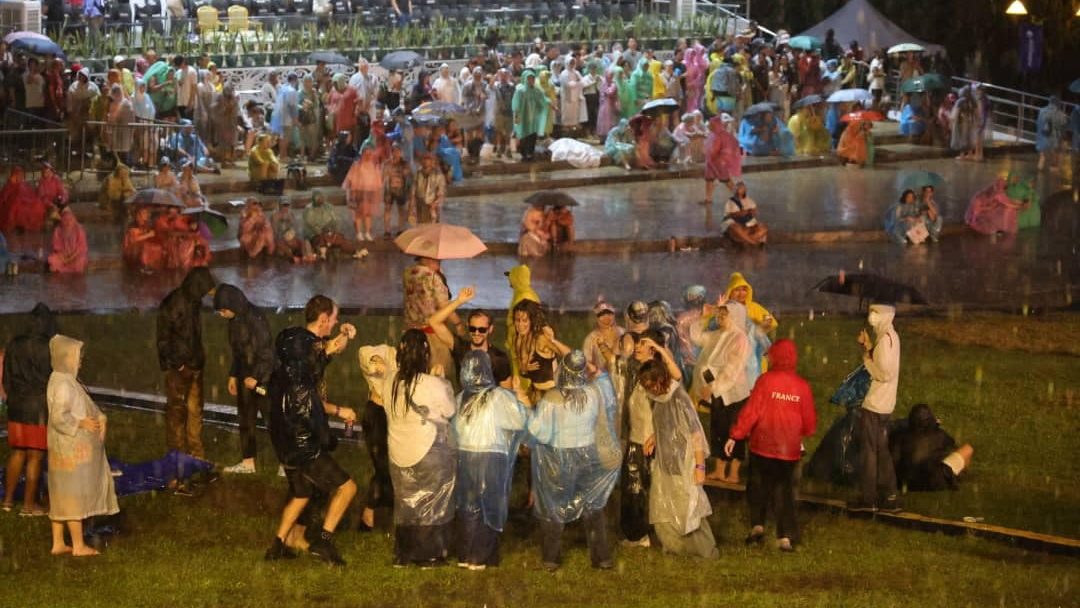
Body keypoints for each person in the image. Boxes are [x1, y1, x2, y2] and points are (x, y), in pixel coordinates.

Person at [265, 295, 359, 565]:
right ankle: (324, 542)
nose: (337, 321)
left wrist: (344, 335)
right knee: (347, 487)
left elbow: (327, 351)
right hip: (302, 441)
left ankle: (278, 546)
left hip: (283, 440)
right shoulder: (306, 359)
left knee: (301, 492)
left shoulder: (297, 358)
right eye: (334, 317)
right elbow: (312, 398)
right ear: (322, 319)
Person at [528, 350, 619, 571]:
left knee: (554, 505)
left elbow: (538, 432)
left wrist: (526, 412)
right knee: (593, 506)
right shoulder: (593, 393)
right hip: (588, 455)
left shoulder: (552, 398)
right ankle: (601, 557)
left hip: (559, 457)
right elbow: (605, 413)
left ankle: (551, 558)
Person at [726, 339, 816, 552]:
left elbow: (751, 412)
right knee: (784, 490)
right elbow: (810, 422)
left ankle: (757, 526)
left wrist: (735, 435)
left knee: (758, 485)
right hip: (789, 450)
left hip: (762, 446)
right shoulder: (802, 386)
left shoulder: (765, 381)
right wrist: (799, 432)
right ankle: (784, 536)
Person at [386, 329, 458, 567]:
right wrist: (442, 380)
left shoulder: (391, 382)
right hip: (428, 451)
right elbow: (449, 410)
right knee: (432, 502)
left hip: (398, 452)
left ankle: (403, 553)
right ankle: (429, 554)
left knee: (406, 503)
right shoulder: (430, 384)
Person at [454, 350, 529, 570]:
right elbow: (519, 422)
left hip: (466, 455)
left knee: (469, 505)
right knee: (489, 505)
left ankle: (466, 553)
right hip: (491, 456)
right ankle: (480, 555)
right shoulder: (498, 397)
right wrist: (520, 396)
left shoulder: (461, 399)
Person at [45, 334, 120, 557]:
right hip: (71, 449)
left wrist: (99, 417)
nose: (80, 361)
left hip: (63, 450)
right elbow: (59, 417)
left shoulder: (61, 379)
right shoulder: (64, 385)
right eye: (77, 356)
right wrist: (81, 423)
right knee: (73, 496)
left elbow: (85, 405)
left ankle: (58, 542)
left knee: (61, 495)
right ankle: (78, 545)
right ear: (66, 357)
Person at [638, 360, 717, 558]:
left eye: (651, 385)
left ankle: (704, 549)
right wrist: (655, 437)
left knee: (689, 507)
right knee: (664, 503)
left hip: (684, 462)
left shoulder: (679, 397)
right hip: (666, 462)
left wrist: (699, 465)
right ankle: (675, 545)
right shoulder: (659, 398)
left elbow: (695, 432)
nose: (650, 390)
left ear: (661, 380)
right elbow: (668, 423)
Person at [156, 267, 216, 478]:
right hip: (180, 369)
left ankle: (196, 456)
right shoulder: (174, 304)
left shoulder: (193, 301)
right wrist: (177, 364)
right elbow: (164, 339)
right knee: (177, 413)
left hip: (194, 365)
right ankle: (178, 458)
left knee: (194, 412)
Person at [212, 284, 274, 475]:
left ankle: (286, 463)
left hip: (263, 378)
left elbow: (267, 352)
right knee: (246, 420)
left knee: (273, 420)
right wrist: (233, 374)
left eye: (223, 310)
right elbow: (239, 353)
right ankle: (248, 462)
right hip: (245, 378)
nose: (222, 315)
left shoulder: (256, 319)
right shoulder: (235, 321)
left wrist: (256, 377)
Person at [2, 303, 57, 515]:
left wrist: (14, 396)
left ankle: (7, 501)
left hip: (17, 406)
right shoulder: (49, 346)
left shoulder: (15, 344)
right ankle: (28, 505)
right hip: (38, 408)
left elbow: (6, 379)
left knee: (17, 453)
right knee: (35, 456)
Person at [690, 301, 751, 483]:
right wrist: (705, 316)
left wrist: (714, 386)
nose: (720, 318)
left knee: (734, 432)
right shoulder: (717, 335)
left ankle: (733, 472)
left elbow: (732, 368)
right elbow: (696, 336)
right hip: (717, 393)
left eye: (725, 315)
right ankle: (719, 470)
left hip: (733, 393)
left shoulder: (739, 338)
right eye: (719, 314)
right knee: (717, 429)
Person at [849, 304, 901, 513]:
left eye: (876, 312)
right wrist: (868, 346)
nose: (871, 316)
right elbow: (881, 362)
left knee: (869, 452)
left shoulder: (886, 340)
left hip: (875, 405)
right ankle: (889, 496)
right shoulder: (888, 337)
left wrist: (866, 360)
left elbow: (883, 373)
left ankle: (868, 499)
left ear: (886, 315)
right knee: (881, 450)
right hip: (884, 404)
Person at [428, 286, 512, 387]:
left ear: (490, 329)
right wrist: (459, 301)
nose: (476, 333)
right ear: (468, 325)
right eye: (473, 328)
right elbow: (433, 322)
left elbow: (507, 392)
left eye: (482, 329)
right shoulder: (460, 348)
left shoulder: (499, 358)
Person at [890, 404, 974, 492]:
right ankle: (960, 475)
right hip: (932, 481)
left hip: (907, 482)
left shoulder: (899, 436)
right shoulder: (940, 435)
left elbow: (894, 459)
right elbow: (953, 448)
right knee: (967, 449)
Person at [357, 345, 396, 531]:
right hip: (378, 414)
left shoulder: (402, 356)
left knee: (389, 465)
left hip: (392, 415)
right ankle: (369, 511)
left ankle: (379, 510)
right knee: (383, 466)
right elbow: (370, 360)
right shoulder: (381, 351)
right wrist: (377, 361)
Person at [511, 299, 571, 398]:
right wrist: (525, 368)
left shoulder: (540, 339)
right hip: (535, 392)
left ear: (532, 320)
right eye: (517, 320)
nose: (520, 325)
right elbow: (522, 369)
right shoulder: (518, 339)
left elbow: (570, 354)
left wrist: (553, 340)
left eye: (525, 320)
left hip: (552, 395)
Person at [343, 147, 383, 243]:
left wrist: (377, 190)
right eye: (366, 154)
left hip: (370, 192)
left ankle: (368, 232)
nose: (368, 156)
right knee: (358, 213)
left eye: (370, 154)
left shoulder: (374, 165)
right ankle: (359, 233)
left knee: (368, 213)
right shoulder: (357, 165)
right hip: (358, 192)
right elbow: (350, 177)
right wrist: (352, 191)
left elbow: (378, 179)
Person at [303, 190, 355, 258]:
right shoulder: (308, 209)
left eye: (321, 198)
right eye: (318, 199)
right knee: (320, 240)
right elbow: (310, 225)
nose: (320, 200)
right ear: (313, 200)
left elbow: (335, 220)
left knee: (340, 239)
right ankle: (324, 251)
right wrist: (321, 232)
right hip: (316, 233)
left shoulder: (329, 206)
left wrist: (334, 230)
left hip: (329, 232)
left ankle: (352, 251)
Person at [703, 114, 741, 205]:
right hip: (711, 162)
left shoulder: (720, 135)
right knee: (709, 179)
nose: (709, 126)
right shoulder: (713, 134)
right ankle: (708, 198)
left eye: (711, 125)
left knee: (726, 180)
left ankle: (739, 196)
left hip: (718, 162)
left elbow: (716, 149)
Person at [0, 166, 47, 235]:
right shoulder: (9, 185)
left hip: (26, 201)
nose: (20, 176)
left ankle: (24, 225)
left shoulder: (23, 184)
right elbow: (4, 195)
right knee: (17, 206)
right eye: (18, 174)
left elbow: (30, 193)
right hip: (15, 202)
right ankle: (19, 225)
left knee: (37, 204)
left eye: (21, 175)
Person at [512, 70, 547, 161]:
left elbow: (542, 102)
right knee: (523, 137)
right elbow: (515, 106)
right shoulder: (520, 91)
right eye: (529, 78)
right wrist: (516, 120)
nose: (531, 80)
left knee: (532, 137)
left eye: (532, 78)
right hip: (522, 118)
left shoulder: (536, 91)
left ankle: (530, 154)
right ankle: (524, 153)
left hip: (533, 119)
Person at [582, 299, 624, 374]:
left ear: (614, 314)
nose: (606, 318)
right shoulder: (591, 338)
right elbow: (586, 363)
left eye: (609, 313)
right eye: (601, 314)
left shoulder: (624, 333)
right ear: (595, 318)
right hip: (602, 379)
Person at [722, 182, 768, 246]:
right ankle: (753, 242)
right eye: (738, 188)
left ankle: (745, 241)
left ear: (745, 190)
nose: (739, 189)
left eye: (741, 188)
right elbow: (730, 215)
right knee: (735, 227)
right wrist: (742, 213)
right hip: (735, 224)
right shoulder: (730, 202)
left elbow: (754, 212)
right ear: (735, 190)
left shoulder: (750, 201)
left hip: (748, 224)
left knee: (763, 228)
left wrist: (752, 212)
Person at [122, 206, 165, 272]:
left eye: (147, 213)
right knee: (146, 247)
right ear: (138, 215)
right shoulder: (133, 225)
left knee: (157, 246)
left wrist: (152, 232)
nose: (146, 215)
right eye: (144, 213)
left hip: (141, 246)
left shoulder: (146, 223)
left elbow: (151, 233)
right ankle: (144, 265)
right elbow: (134, 239)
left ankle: (154, 264)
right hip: (131, 248)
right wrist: (148, 235)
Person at [47, 208, 88, 274]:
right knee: (53, 261)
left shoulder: (79, 230)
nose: (68, 222)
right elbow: (57, 247)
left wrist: (70, 258)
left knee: (79, 263)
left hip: (77, 256)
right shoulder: (58, 230)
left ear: (73, 219)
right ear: (62, 220)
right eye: (65, 220)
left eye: (70, 219)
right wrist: (63, 257)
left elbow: (81, 248)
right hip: (63, 255)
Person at [408, 153, 446, 224]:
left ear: (432, 162)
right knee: (420, 225)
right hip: (420, 204)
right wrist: (411, 208)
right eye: (424, 159)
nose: (426, 161)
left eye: (428, 159)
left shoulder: (438, 175)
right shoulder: (417, 174)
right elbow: (412, 192)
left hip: (432, 205)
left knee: (433, 227)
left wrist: (434, 204)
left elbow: (441, 193)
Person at [382, 144, 411, 238]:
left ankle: (400, 229)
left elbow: (409, 174)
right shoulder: (387, 163)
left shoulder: (405, 164)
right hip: (389, 189)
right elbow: (383, 175)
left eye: (398, 151)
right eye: (394, 151)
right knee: (387, 209)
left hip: (401, 189)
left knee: (401, 210)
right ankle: (387, 230)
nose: (396, 153)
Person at [1036, 96, 1068, 172]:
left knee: (1042, 157)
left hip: (1040, 138)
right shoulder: (1059, 113)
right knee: (1055, 153)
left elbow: (1038, 124)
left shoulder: (1041, 110)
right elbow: (1064, 124)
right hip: (1051, 140)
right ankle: (1053, 170)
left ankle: (1039, 174)